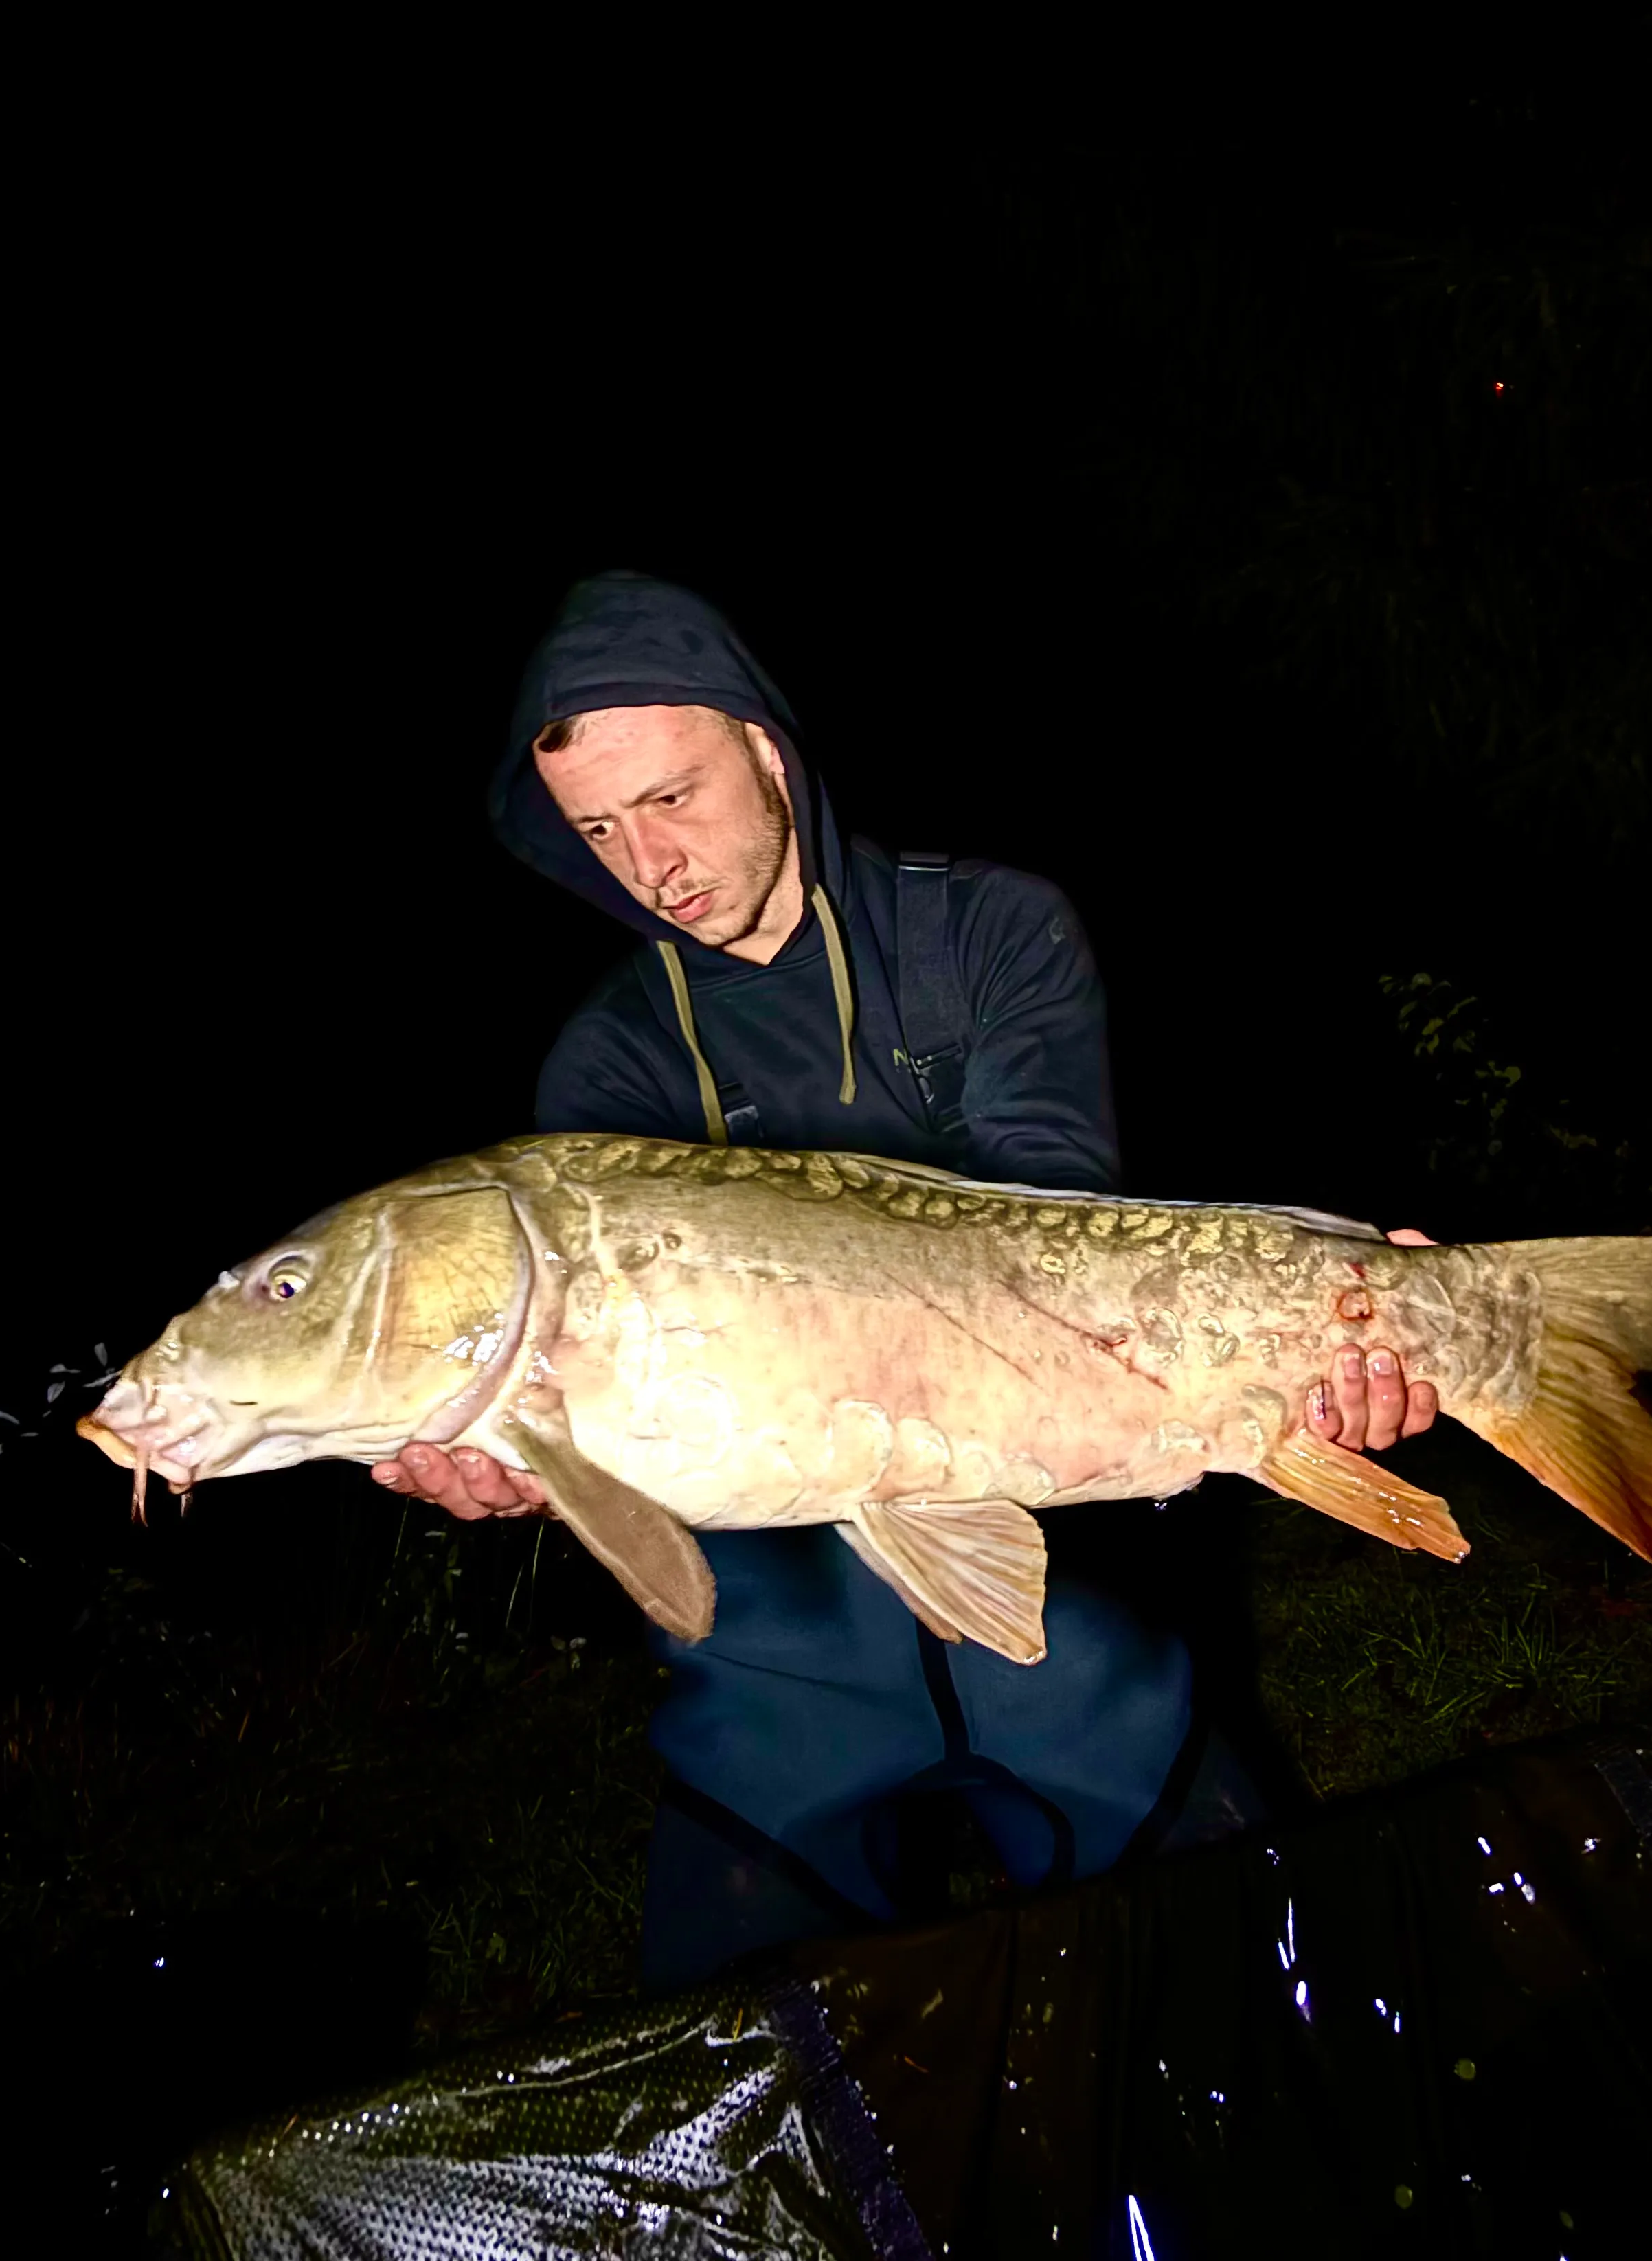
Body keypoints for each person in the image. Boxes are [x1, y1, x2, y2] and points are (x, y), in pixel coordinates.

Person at [374, 571, 1440, 1988]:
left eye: (675, 797)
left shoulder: (987, 935)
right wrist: (530, 1454)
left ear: (767, 746)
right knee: (771, 2093)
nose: (650, 862)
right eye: (600, 829)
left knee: (1246, 1998)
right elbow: (607, 1400)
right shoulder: (609, 1071)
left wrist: (1314, 1316)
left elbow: (1067, 1243)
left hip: (1069, 1614)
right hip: (782, 1663)